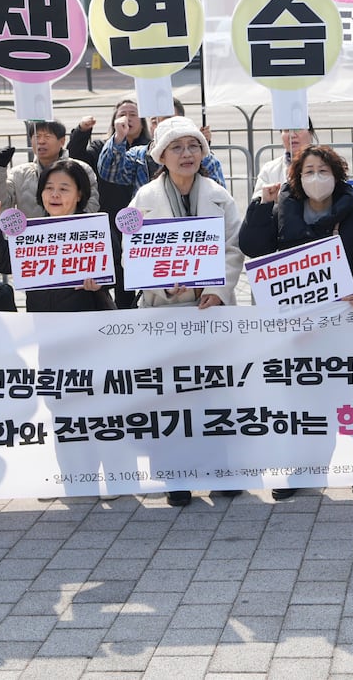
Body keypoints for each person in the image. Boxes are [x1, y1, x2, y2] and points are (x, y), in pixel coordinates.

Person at [241, 144, 353, 501]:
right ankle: (305, 468)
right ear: (296, 177)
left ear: (336, 176)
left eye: (323, 171)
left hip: (345, 325)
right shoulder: (281, 211)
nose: (316, 178)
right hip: (300, 329)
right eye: (308, 171)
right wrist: (262, 206)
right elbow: (252, 246)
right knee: (305, 402)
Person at [129, 115, 244, 508]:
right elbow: (135, 253)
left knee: (214, 391)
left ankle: (221, 470)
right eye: (177, 147)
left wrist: (216, 288)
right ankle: (176, 476)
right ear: (161, 155)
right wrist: (160, 281)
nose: (187, 154)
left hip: (207, 309)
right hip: (163, 311)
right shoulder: (143, 199)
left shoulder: (219, 196)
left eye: (193, 146)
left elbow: (233, 248)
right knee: (169, 395)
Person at [71, 99, 145, 309]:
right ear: (114, 120)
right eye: (123, 113)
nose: (128, 118)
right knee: (115, 279)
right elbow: (77, 158)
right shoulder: (101, 147)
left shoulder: (150, 149)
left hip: (143, 224)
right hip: (111, 223)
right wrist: (82, 131)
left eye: (133, 114)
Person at [24, 159, 113, 314]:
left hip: (86, 321)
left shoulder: (96, 229)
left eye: (63, 189)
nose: (55, 195)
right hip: (41, 320)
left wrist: (101, 283)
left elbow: (120, 267)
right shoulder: (32, 231)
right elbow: (6, 263)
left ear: (79, 194)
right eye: (49, 188)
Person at [98, 98, 225, 191]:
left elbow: (220, 205)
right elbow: (109, 172)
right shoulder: (139, 157)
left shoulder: (206, 160)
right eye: (154, 121)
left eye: (169, 119)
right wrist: (119, 137)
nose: (160, 126)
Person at [0, 120, 98, 220]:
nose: (41, 141)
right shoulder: (19, 173)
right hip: (32, 238)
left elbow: (91, 205)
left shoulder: (81, 169)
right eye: (37, 136)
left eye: (47, 136)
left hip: (71, 237)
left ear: (62, 141)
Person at [253, 123, 315, 200]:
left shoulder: (327, 166)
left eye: (298, 129)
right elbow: (256, 209)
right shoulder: (269, 170)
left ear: (311, 133)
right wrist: (265, 202)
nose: (292, 135)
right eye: (286, 130)